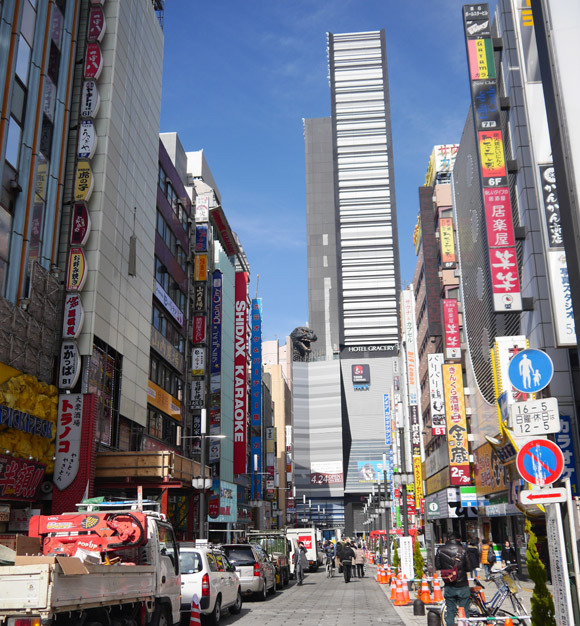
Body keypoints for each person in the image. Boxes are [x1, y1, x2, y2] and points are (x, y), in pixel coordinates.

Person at [435, 532, 479, 626]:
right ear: (459, 539)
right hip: (462, 584)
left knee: (450, 611)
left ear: (448, 539)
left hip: (448, 584)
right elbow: (469, 568)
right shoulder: (463, 550)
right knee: (464, 610)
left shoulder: (440, 550)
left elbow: (438, 566)